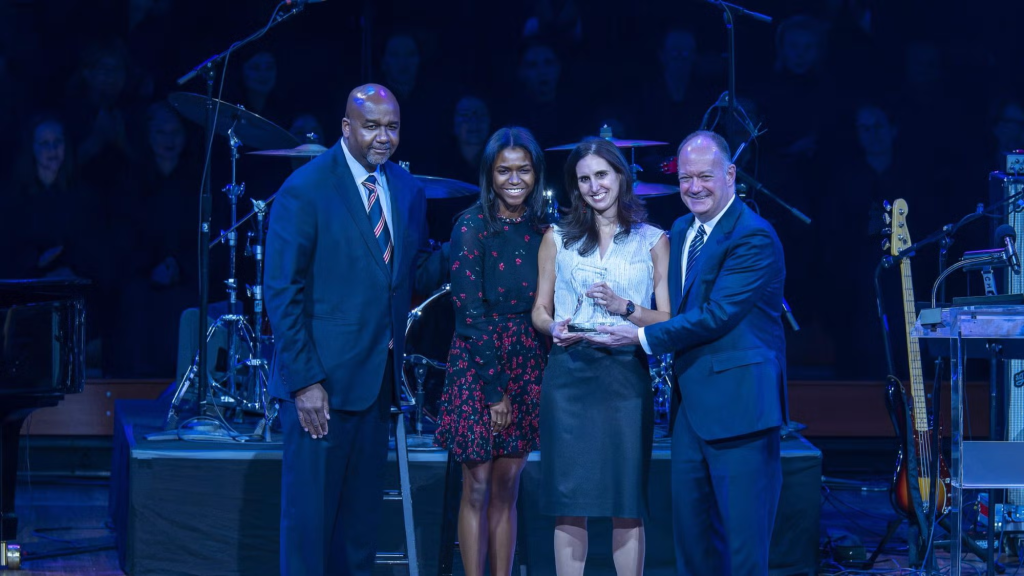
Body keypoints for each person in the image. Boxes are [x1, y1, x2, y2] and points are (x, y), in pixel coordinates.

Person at [264, 83, 441, 576]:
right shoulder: (307, 187)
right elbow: (282, 290)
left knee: (359, 533)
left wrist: (469, 243)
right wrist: (304, 382)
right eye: (372, 126)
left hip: (376, 383)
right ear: (346, 127)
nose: (383, 137)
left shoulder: (406, 189)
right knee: (309, 530)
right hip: (320, 387)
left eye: (392, 127)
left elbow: (410, 275)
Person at [597, 130, 787, 576]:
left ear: (731, 175)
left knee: (743, 553)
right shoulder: (681, 231)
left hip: (742, 412)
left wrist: (638, 339)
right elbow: (676, 313)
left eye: (705, 176)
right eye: (686, 178)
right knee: (692, 548)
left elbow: (716, 315)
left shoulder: (754, 237)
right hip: (691, 413)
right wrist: (626, 311)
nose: (694, 187)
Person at [531, 137, 670, 576]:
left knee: (625, 502)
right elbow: (539, 309)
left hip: (624, 377)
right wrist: (552, 326)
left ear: (621, 176)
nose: (594, 186)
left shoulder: (653, 240)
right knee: (569, 502)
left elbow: (667, 317)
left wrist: (626, 310)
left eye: (602, 175)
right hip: (569, 376)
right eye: (584, 179)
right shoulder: (557, 237)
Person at [433, 126, 548, 576]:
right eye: (504, 170)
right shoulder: (471, 226)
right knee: (477, 484)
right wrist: (494, 391)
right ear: (490, 174)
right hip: (479, 361)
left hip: (526, 357)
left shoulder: (544, 229)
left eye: (524, 169)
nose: (514, 178)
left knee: (507, 484)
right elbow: (468, 314)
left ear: (536, 174)